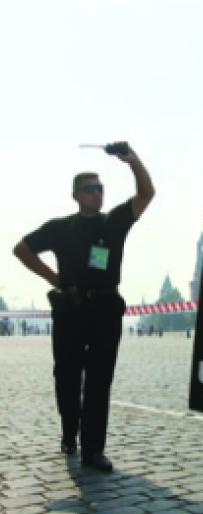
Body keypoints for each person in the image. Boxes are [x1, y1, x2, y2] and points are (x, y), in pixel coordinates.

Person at [13, 142, 155, 472]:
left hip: (105, 308)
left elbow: (147, 194)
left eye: (100, 189)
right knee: (66, 376)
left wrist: (132, 160)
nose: (97, 194)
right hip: (71, 310)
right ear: (76, 195)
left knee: (99, 380)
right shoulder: (60, 228)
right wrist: (55, 279)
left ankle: (94, 450)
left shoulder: (114, 222)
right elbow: (22, 249)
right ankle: (69, 433)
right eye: (90, 190)